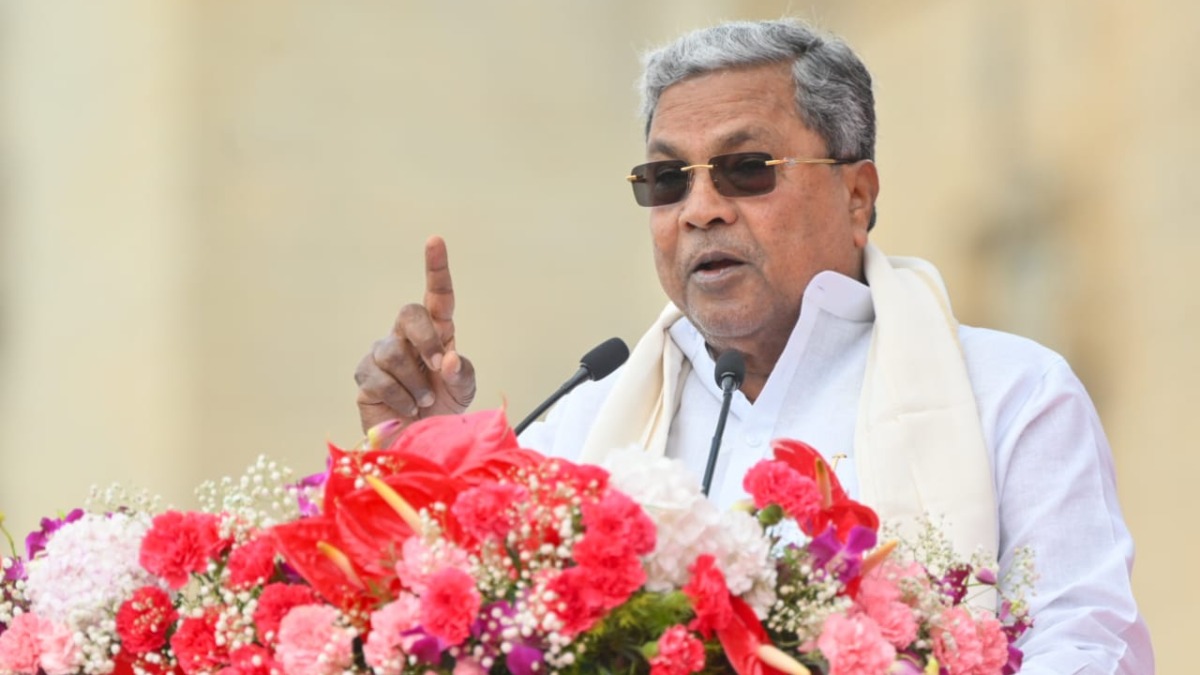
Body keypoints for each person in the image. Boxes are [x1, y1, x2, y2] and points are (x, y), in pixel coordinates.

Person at [352, 19, 1153, 673]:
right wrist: (431, 456)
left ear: (857, 196)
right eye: (667, 180)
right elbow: (464, 635)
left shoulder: (1011, 394)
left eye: (745, 168)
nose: (699, 208)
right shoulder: (578, 426)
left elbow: (1088, 646)